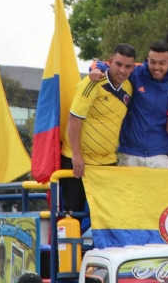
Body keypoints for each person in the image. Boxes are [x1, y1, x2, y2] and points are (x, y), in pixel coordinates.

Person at [60, 43, 136, 212]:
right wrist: (76, 155)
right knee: (72, 213)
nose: (122, 70)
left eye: (128, 66)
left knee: (107, 215)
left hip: (107, 162)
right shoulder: (93, 81)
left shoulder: (129, 88)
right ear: (110, 62)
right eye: (118, 64)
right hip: (78, 161)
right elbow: (74, 119)